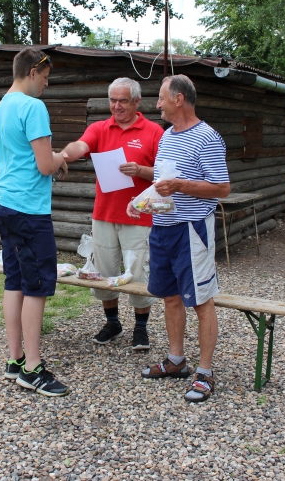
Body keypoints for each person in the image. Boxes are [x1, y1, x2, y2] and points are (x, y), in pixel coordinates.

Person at [128, 74, 231, 403]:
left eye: (161, 98)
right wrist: (140, 202)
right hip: (162, 229)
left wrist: (181, 185)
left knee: (201, 301)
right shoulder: (167, 136)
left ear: (179, 99)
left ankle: (205, 372)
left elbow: (222, 188)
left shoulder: (207, 137)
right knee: (170, 298)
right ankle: (176, 361)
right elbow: (162, 184)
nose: (157, 104)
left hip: (191, 231)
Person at [60, 78, 164, 350]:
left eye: (123, 101)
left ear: (137, 102)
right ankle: (113, 322)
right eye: (113, 100)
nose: (117, 106)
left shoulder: (154, 131)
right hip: (104, 215)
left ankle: (140, 328)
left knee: (138, 273)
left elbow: (166, 174)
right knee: (104, 272)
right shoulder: (99, 128)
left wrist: (140, 171)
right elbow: (80, 146)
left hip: (139, 217)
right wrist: (62, 156)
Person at [0, 48, 69, 397]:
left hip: (3, 203)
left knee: (15, 281)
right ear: (32, 72)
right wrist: (61, 157)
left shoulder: (3, 105)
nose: (47, 84)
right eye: (46, 77)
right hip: (28, 210)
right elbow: (44, 165)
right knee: (37, 285)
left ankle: (15, 359)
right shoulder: (33, 107)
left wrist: (52, 158)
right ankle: (33, 369)